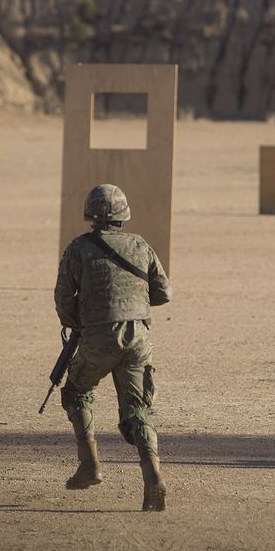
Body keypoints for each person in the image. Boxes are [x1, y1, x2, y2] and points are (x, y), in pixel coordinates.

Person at [55, 183, 173, 511]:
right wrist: (131, 299)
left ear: (90, 214)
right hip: (138, 338)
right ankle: (153, 477)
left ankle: (89, 465)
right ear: (123, 215)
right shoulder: (140, 245)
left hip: (97, 337)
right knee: (137, 411)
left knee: (76, 392)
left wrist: (82, 320)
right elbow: (163, 293)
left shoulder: (78, 249)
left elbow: (63, 300)